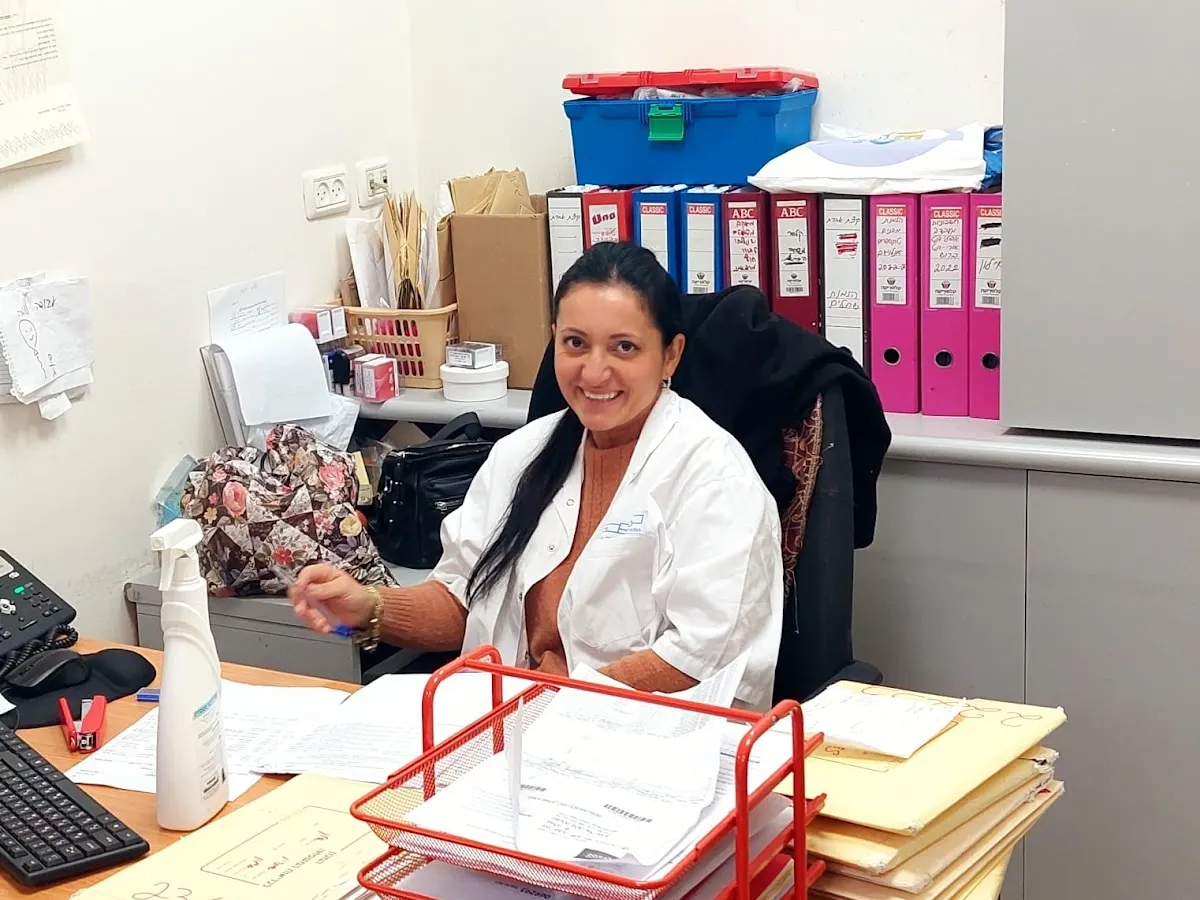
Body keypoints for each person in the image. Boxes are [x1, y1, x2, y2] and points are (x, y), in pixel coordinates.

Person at [288, 241, 784, 709]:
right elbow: (465, 599)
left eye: (624, 348)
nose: (594, 372)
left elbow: (702, 659)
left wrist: (554, 704)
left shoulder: (715, 478)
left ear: (670, 354)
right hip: (512, 724)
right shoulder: (521, 455)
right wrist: (369, 607)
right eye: (576, 343)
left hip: (638, 738)